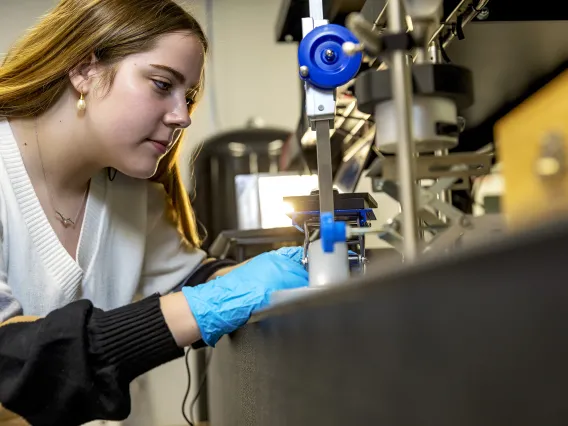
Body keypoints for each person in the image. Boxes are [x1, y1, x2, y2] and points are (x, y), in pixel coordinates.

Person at [0, 0, 309, 425]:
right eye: (163, 84)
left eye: (189, 96)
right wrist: (206, 305)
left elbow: (192, 276)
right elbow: (11, 366)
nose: (182, 116)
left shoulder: (132, 198)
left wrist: (283, 274)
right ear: (84, 70)